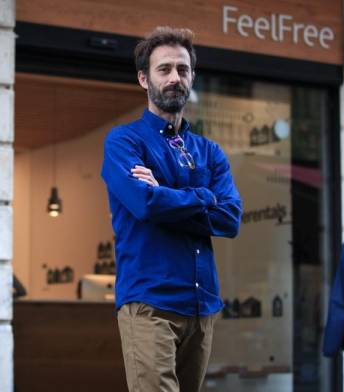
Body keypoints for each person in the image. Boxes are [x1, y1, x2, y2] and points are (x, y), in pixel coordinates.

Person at [100, 26, 242, 392]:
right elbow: (144, 204)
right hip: (150, 303)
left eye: (183, 69)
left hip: (202, 305)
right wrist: (204, 196)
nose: (175, 78)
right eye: (165, 69)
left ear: (192, 76)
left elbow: (230, 218)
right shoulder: (124, 142)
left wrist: (166, 192)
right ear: (144, 78)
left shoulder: (210, 152)